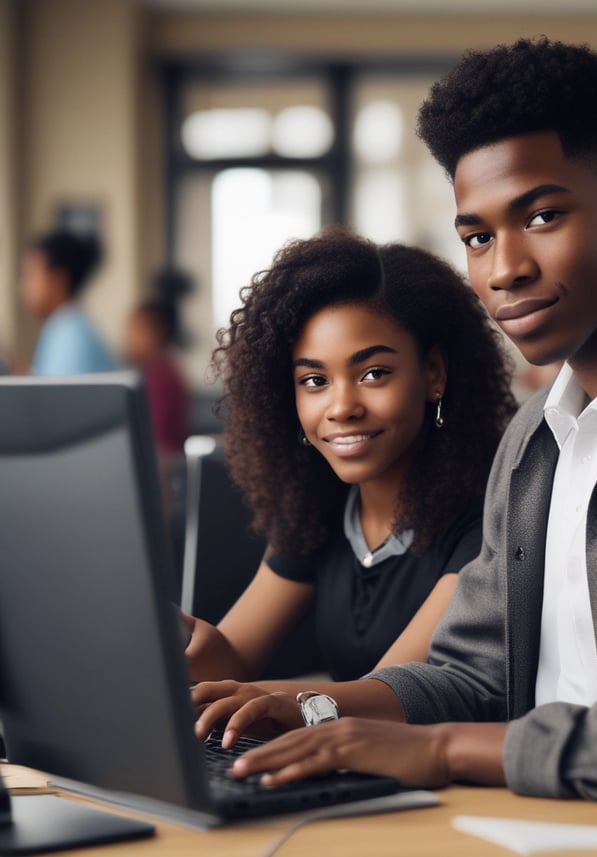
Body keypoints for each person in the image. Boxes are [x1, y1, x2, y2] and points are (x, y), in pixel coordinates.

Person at [191, 38, 597, 816]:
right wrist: (308, 712)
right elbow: (472, 678)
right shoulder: (533, 440)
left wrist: (437, 749)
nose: (505, 269)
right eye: (478, 237)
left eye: (542, 215)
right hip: (533, 823)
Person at [183, 227, 516, 684]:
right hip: (339, 752)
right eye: (314, 381)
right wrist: (171, 639)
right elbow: (232, 659)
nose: (341, 408)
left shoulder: (487, 521)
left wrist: (281, 701)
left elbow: (386, 698)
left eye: (374, 373)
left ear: (433, 373)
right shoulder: (317, 509)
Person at [18, 229, 116, 375]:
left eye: (31, 275)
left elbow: (56, 396)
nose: (21, 288)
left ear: (59, 280)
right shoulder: (62, 327)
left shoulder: (70, 336)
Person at [124, 298, 190, 456]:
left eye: (137, 329)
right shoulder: (158, 370)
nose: (129, 337)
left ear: (158, 332)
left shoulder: (161, 377)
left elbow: (156, 439)